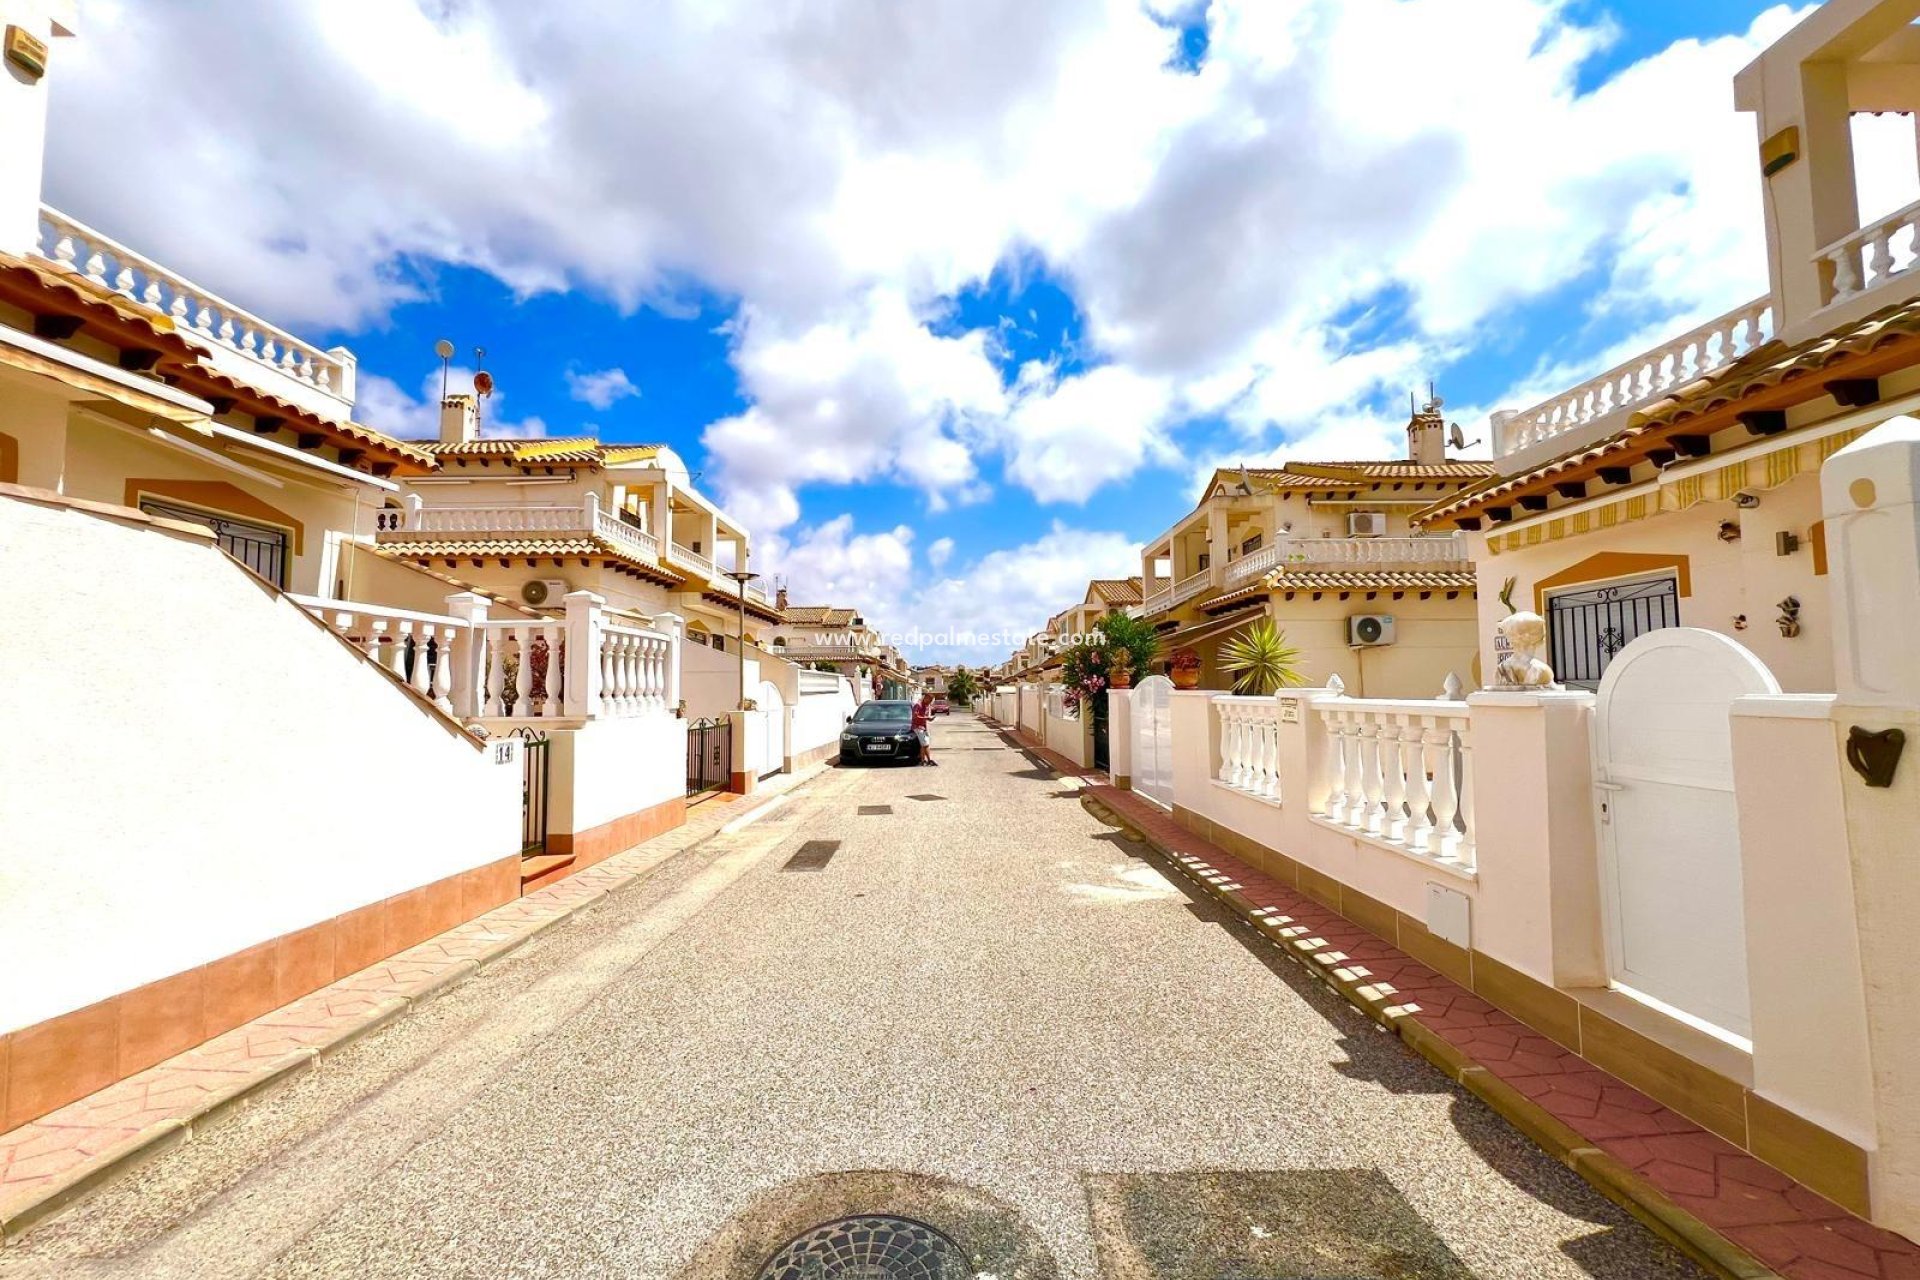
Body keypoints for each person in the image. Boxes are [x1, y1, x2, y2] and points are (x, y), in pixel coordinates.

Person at [912, 691, 936, 766]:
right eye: (929, 700)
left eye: (931, 701)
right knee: (926, 744)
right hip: (917, 727)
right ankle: (929, 760)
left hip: (923, 728)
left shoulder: (926, 706)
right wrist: (927, 718)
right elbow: (915, 717)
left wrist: (926, 725)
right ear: (925, 698)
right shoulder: (918, 705)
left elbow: (924, 718)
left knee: (923, 745)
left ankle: (923, 761)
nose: (930, 702)